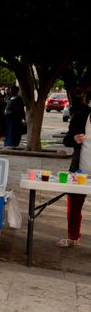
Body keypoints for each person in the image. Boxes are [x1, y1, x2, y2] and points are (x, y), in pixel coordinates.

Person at [60, 89, 91, 247]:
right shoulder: (81, 117)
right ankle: (73, 237)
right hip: (81, 169)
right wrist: (74, 139)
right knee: (74, 204)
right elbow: (66, 140)